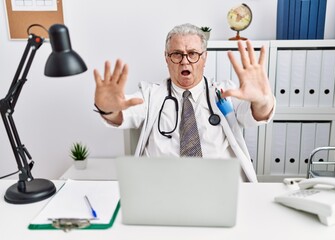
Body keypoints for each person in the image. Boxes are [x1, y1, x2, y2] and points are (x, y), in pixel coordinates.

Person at [93, 23, 275, 182]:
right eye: (177, 54)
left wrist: (262, 101)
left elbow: (254, 114)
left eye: (193, 54)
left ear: (204, 58)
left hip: (217, 187)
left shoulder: (224, 92)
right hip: (162, 187)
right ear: (166, 58)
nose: (185, 61)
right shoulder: (150, 94)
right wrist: (108, 110)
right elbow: (125, 114)